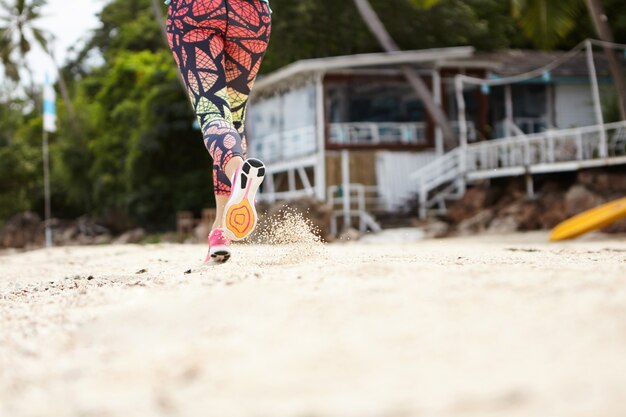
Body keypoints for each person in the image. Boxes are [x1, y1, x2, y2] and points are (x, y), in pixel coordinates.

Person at [166, 0, 272, 262]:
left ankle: (238, 173)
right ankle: (220, 232)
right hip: (251, 14)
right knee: (234, 121)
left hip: (195, 11)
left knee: (213, 113)